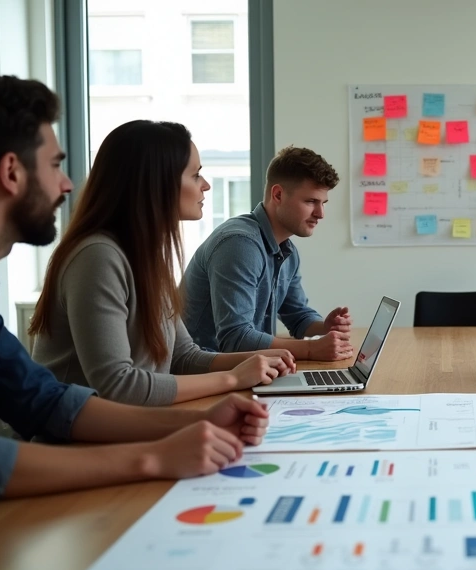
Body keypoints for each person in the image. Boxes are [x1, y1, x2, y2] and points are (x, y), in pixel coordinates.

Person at [0, 72, 269, 542]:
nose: (67, 184)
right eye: (54, 164)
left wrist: (194, 422)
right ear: (11, 173)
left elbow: (43, 401)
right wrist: (153, 456)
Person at [30, 121, 295, 406]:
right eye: (195, 175)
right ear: (157, 184)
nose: (205, 185)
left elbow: (183, 357)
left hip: (132, 431)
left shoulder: (146, 256)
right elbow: (117, 386)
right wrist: (233, 378)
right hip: (80, 446)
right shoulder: (98, 257)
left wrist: (258, 359)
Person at [181, 145, 353, 362]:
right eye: (310, 201)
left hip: (246, 370)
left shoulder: (286, 249)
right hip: (203, 375)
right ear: (278, 195)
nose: (320, 214)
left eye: (323, 203)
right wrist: (310, 349)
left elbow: (298, 316)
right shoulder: (239, 244)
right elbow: (235, 339)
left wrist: (324, 327)